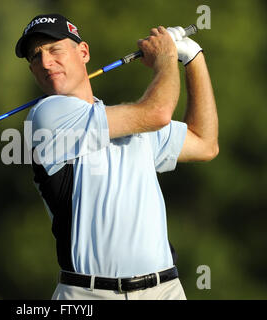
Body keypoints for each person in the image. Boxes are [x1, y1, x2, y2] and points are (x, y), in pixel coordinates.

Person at [15, 13, 218, 300]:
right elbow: (157, 113)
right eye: (35, 57)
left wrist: (193, 58)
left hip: (165, 290)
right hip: (88, 293)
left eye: (54, 49)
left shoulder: (132, 124)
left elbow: (205, 143)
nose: (46, 62)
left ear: (83, 52)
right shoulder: (46, 116)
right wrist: (166, 58)